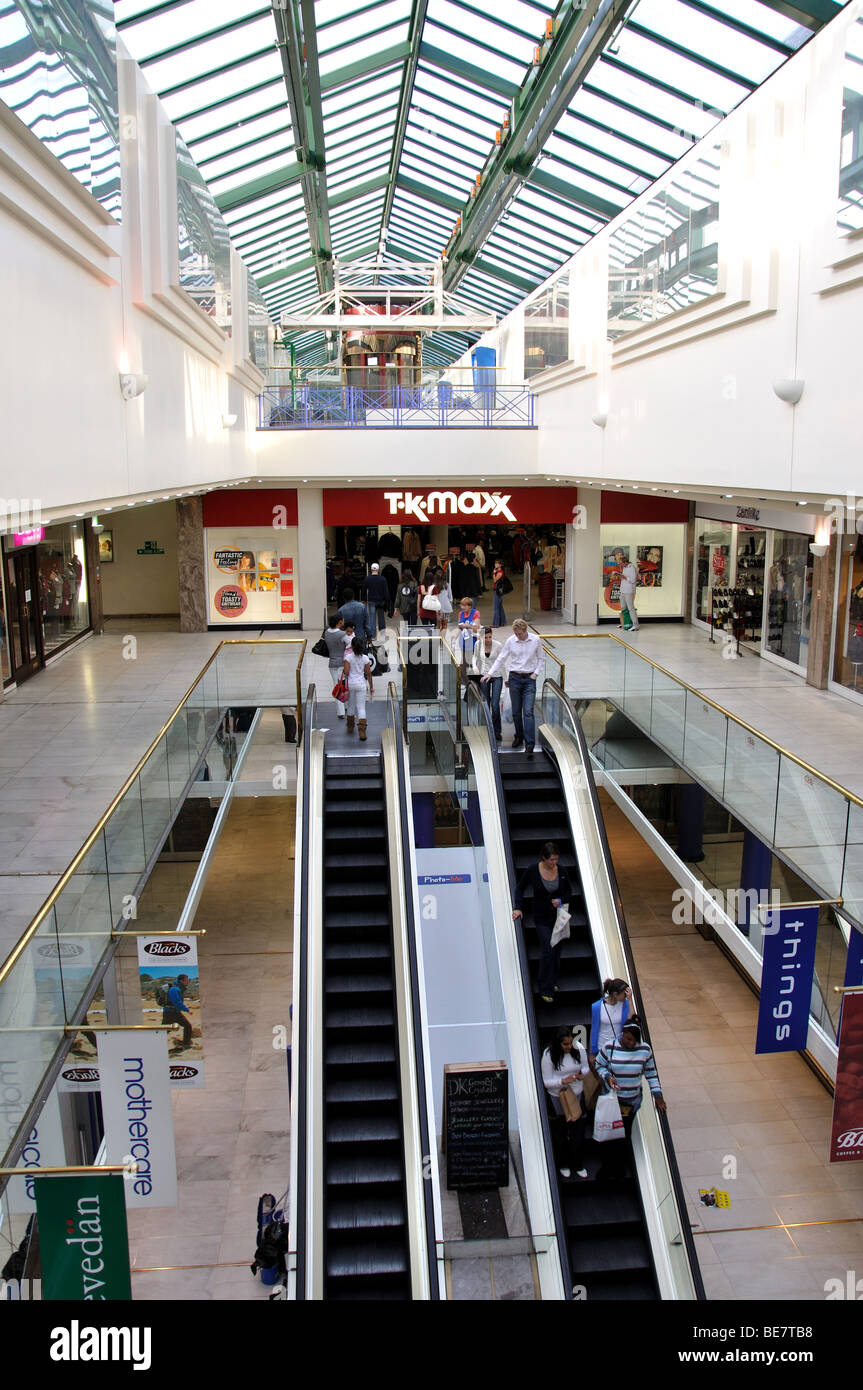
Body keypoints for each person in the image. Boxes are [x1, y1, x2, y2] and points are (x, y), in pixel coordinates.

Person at [595, 1021, 666, 1177]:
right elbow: (599, 1064)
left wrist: (658, 1095)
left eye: (634, 1040)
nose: (631, 1043)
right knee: (609, 1133)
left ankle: (619, 1166)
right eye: (628, 1039)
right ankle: (606, 1166)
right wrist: (607, 1077)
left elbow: (651, 1074)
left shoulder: (645, 1050)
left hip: (632, 1102)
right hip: (613, 1102)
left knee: (624, 1133)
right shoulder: (609, 1047)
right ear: (622, 1034)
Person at [512, 841, 575, 1004]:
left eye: (556, 859)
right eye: (551, 860)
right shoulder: (533, 870)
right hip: (541, 917)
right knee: (547, 950)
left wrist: (560, 900)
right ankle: (545, 987)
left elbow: (569, 891)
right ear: (544, 858)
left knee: (557, 950)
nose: (554, 863)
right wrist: (518, 907)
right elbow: (520, 888)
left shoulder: (561, 871)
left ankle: (553, 980)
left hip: (559, 916)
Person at [481, 618, 543, 757]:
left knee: (528, 711)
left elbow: (541, 658)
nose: (518, 636)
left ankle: (530, 743)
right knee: (516, 712)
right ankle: (519, 736)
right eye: (516, 633)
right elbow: (501, 658)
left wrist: (536, 673)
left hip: (529, 680)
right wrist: (490, 673)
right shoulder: (511, 640)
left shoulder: (535, 640)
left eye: (520, 634)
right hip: (515, 678)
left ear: (525, 631)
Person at [541, 1028, 590, 1179]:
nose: (569, 1047)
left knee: (578, 1132)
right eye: (565, 1044)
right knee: (560, 1133)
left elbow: (586, 1067)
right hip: (559, 1097)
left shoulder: (579, 1049)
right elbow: (547, 1082)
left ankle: (578, 1163)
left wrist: (582, 1075)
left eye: (570, 1043)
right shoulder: (548, 1055)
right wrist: (563, 1081)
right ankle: (563, 1163)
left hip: (576, 1095)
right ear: (558, 1044)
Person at [470, 627, 504, 740]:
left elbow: (501, 662)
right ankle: (486, 729)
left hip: (497, 675)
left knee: (495, 704)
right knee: (486, 704)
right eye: (486, 637)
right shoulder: (478, 645)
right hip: (483, 676)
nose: (488, 639)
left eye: (490, 637)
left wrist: (507, 677)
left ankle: (497, 731)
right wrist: (474, 667)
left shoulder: (498, 645)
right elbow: (474, 656)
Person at [589, 978, 633, 1062]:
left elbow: (632, 1020)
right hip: (602, 1047)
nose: (625, 996)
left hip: (619, 1047)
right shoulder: (597, 1006)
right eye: (624, 994)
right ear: (615, 994)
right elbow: (594, 1029)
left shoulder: (625, 1004)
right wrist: (592, 1052)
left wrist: (630, 1000)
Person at [343, 633, 373, 739]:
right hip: (361, 685)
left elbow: (346, 672)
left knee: (350, 706)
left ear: (352, 646)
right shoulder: (365, 658)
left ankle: (350, 727)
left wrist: (345, 669)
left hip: (350, 685)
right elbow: (368, 673)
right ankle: (362, 732)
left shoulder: (348, 657)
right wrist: (371, 686)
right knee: (361, 708)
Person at [324, 614, 349, 719]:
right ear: (339, 622)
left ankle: (341, 710)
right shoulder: (342, 634)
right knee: (344, 685)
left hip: (332, 663)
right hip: (342, 663)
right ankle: (344, 709)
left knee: (337, 686)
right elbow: (350, 645)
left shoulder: (326, 633)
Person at [162, 974, 193, 1050]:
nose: (188, 981)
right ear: (181, 981)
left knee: (188, 1026)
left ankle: (186, 1043)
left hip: (176, 1013)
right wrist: (187, 1010)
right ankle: (154, 1045)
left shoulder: (178, 988)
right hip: (169, 1013)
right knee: (164, 1031)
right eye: (186, 980)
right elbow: (177, 1002)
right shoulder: (174, 989)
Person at [361, 562, 390, 635]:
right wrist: (387, 601)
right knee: (381, 617)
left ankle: (373, 635)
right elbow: (386, 591)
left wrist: (364, 599)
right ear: (378, 569)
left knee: (372, 618)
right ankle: (382, 633)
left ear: (371, 569)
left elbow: (363, 590)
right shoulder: (382, 579)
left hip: (371, 601)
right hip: (380, 601)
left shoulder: (368, 579)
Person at [456, 596, 481, 667]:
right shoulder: (461, 613)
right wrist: (454, 637)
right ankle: (463, 677)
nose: (462, 607)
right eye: (461, 605)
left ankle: (474, 676)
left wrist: (467, 626)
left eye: (464, 605)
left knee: (473, 661)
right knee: (464, 661)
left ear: (470, 606)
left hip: (473, 640)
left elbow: (477, 628)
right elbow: (459, 626)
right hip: (464, 639)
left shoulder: (476, 613)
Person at [619, 557, 640, 630]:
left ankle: (636, 625)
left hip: (629, 591)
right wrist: (620, 576)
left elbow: (633, 580)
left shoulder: (632, 568)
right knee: (623, 607)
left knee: (631, 608)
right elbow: (625, 578)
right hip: (623, 590)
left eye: (622, 563)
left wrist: (624, 577)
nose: (621, 565)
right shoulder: (625, 568)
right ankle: (624, 623)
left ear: (625, 562)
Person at [434, 566, 453, 633]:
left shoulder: (433, 586)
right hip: (446, 607)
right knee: (445, 625)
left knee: (438, 625)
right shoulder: (446, 585)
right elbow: (450, 597)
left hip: (437, 608)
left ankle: (439, 638)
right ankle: (443, 639)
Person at [492, 560, 508, 628]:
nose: (495, 564)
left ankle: (496, 623)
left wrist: (493, 573)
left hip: (498, 591)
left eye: (497, 563)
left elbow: (495, 580)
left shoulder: (500, 572)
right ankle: (502, 622)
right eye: (495, 563)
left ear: (500, 565)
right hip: (498, 591)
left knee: (496, 607)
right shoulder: (499, 572)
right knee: (500, 607)